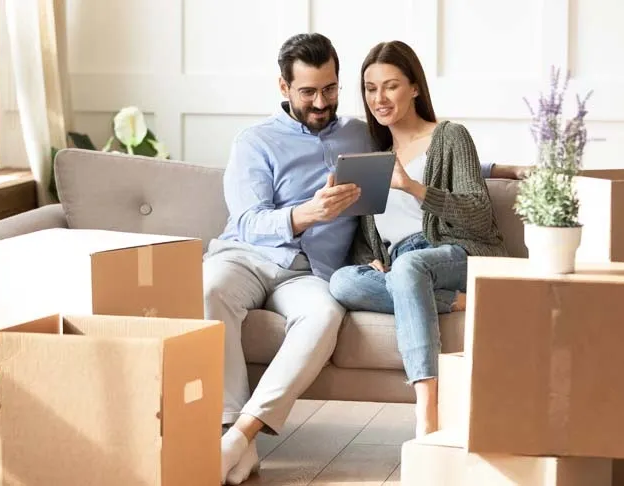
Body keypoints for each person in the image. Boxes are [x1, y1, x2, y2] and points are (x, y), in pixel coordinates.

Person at [328, 40, 526, 438]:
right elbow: (371, 236)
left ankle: (426, 412)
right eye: (370, 88)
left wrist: (414, 187)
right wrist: (372, 259)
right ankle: (457, 302)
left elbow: (479, 214)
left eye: (391, 85)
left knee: (409, 266)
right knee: (342, 281)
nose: (379, 98)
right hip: (404, 264)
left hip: (458, 252)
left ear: (415, 87)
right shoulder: (374, 154)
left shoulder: (450, 137)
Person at [204, 33, 373, 485]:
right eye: (308, 92)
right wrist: (304, 215)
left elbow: (421, 150)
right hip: (246, 257)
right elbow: (246, 221)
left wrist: (499, 169)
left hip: (310, 272)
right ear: (284, 87)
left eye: (330, 89)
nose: (322, 102)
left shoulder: (360, 134)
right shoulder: (255, 141)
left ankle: (240, 436)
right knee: (208, 289)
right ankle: (228, 432)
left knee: (324, 315)